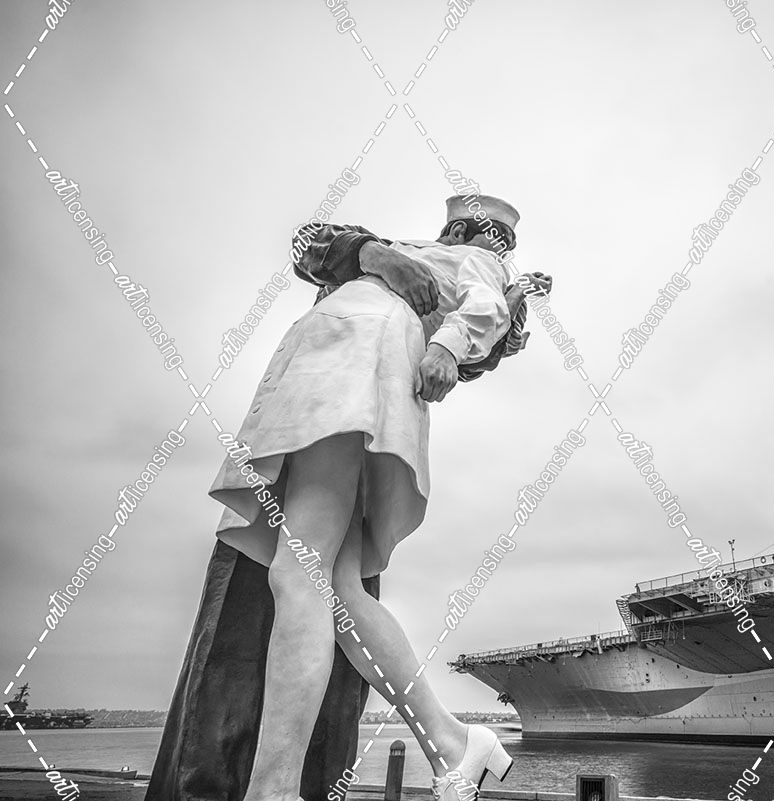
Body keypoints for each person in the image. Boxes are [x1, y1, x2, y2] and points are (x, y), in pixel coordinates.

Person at [147, 209, 543, 801]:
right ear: (460, 230)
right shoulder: (411, 250)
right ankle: (451, 740)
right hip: (344, 365)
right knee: (338, 589)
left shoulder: (473, 262)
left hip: (349, 364)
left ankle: (274, 790)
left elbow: (485, 315)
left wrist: (452, 341)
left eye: (506, 242)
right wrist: (379, 258)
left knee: (297, 574)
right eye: (495, 236)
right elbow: (311, 243)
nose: (501, 247)